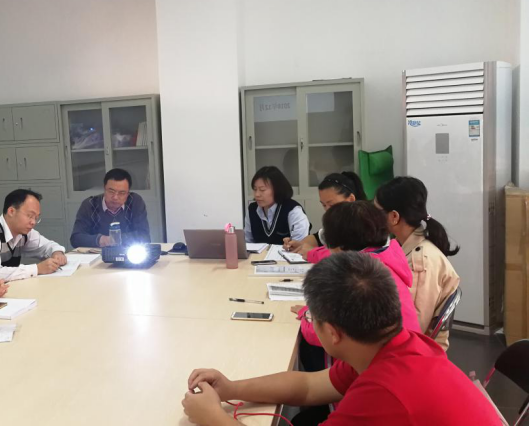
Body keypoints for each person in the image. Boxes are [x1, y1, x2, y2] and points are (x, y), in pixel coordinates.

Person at [181, 252, 503, 426]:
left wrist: (213, 418)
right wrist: (231, 388)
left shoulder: (383, 393)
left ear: (333, 333)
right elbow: (309, 386)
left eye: (312, 318)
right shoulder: (394, 346)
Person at [294, 201, 421, 373]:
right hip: (408, 356)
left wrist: (307, 315)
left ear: (338, 247)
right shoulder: (384, 257)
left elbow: (326, 336)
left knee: (308, 351)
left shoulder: (356, 278)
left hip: (381, 369)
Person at [375, 176, 460, 351]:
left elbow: (413, 328)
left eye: (377, 212)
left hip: (416, 353)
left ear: (394, 216)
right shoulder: (404, 246)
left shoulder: (419, 263)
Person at [0, 189, 67, 281]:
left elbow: (48, 246)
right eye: (30, 216)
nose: (33, 222)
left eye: (36, 218)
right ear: (11, 211)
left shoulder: (23, 233)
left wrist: (57, 253)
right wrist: (37, 269)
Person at [283, 171, 365, 258]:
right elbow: (317, 238)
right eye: (324, 205)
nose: (327, 210)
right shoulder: (337, 222)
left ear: (351, 199)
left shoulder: (363, 222)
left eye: (332, 205)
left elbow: (348, 255)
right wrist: (300, 245)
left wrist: (313, 252)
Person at [70, 168, 151, 248]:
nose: (115, 197)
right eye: (111, 191)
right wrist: (101, 240)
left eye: (122, 193)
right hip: (97, 254)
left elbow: (144, 236)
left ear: (128, 193)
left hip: (128, 253)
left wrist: (114, 240)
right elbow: (76, 239)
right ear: (104, 189)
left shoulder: (135, 202)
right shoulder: (90, 204)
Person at [244, 166, 310, 245]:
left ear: (277, 189)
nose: (257, 194)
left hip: (287, 253)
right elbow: (247, 242)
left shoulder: (293, 210)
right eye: (255, 189)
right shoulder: (252, 209)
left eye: (262, 190)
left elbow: (299, 246)